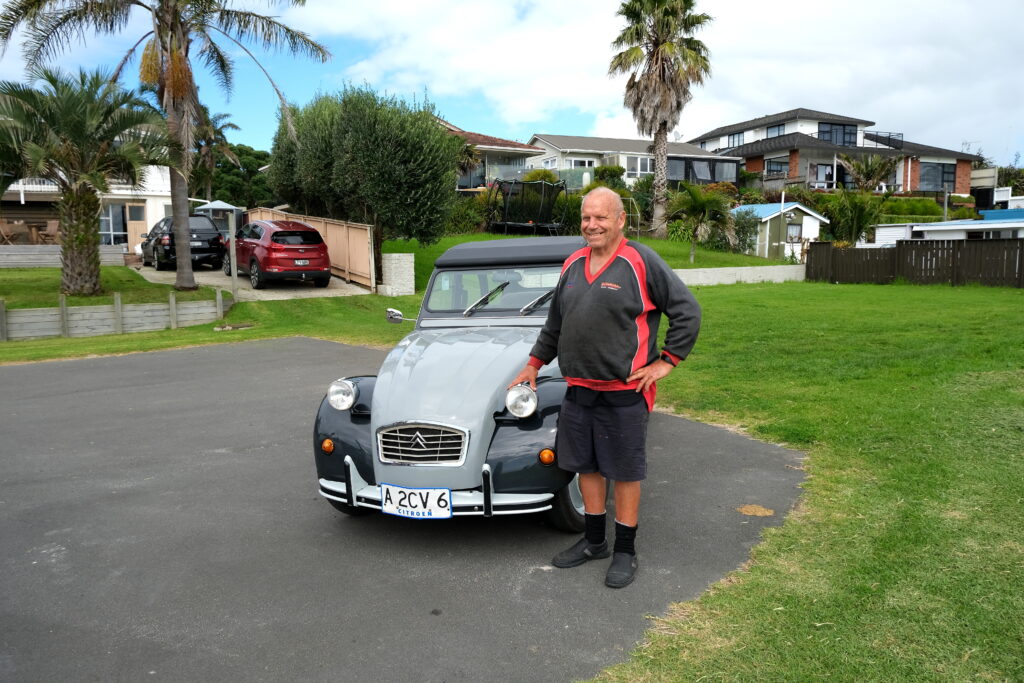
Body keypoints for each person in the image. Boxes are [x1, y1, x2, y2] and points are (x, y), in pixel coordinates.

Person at [508, 186, 701, 588]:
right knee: (587, 467)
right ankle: (594, 542)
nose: (592, 225)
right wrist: (532, 364)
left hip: (624, 392)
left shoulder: (640, 261)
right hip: (578, 388)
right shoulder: (573, 263)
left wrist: (667, 362)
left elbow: (686, 310)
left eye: (601, 217)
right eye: (586, 217)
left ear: (620, 220)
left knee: (624, 471)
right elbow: (555, 324)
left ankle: (625, 550)